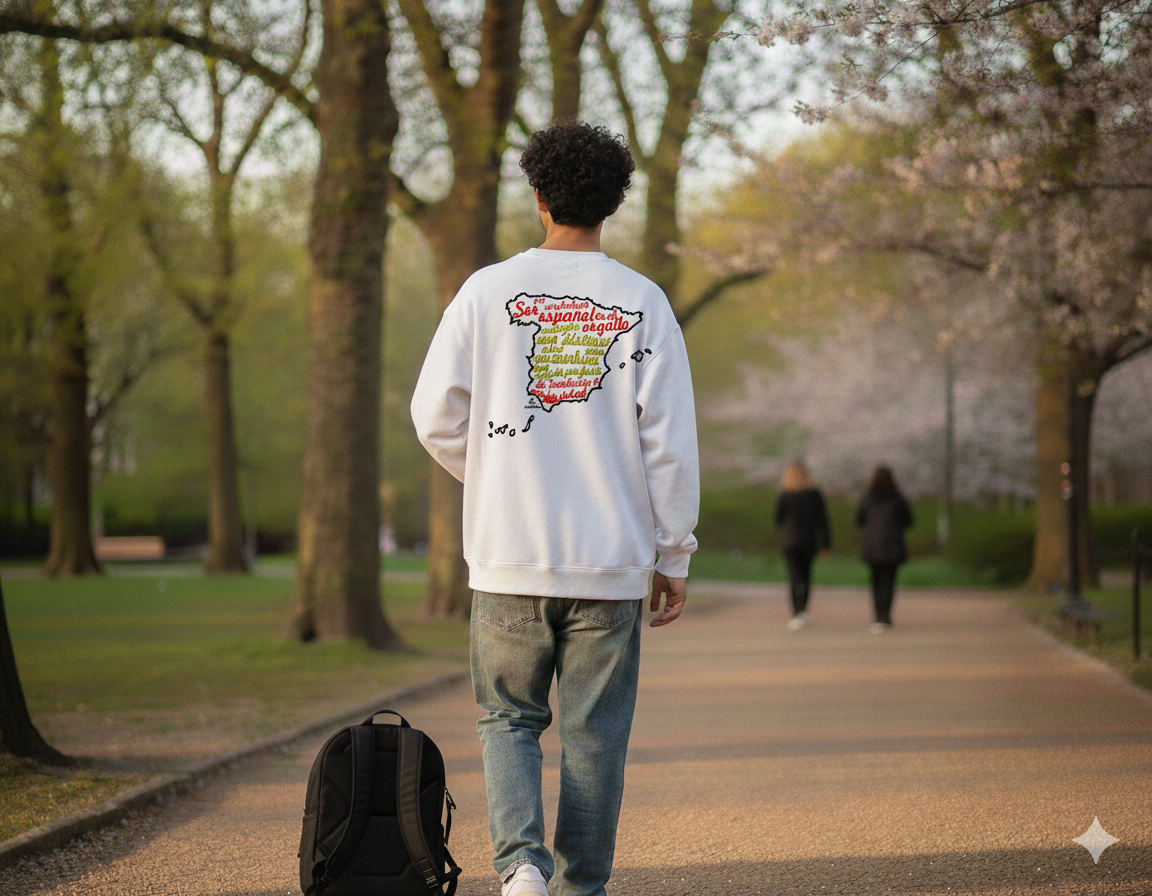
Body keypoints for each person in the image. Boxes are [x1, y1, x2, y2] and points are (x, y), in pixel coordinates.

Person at [410, 122, 699, 896]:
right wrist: (674, 553)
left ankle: (521, 867)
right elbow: (668, 444)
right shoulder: (644, 301)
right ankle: (580, 888)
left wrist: (501, 474)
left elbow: (435, 414)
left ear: (538, 198)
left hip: (509, 554)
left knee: (507, 718)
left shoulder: (485, 292)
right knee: (595, 736)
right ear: (614, 203)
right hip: (609, 563)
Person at [855, 465, 914, 633]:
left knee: (875, 582)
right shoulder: (898, 498)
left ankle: (877, 616)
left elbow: (859, 520)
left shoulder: (867, 498)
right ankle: (885, 615)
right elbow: (909, 521)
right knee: (888, 582)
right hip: (893, 546)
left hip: (872, 546)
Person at [774, 461, 830, 631]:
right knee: (806, 577)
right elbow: (823, 522)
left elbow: (778, 519)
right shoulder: (814, 495)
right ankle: (803, 609)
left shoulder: (785, 495)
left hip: (790, 542)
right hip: (809, 541)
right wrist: (825, 544)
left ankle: (796, 611)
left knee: (794, 578)